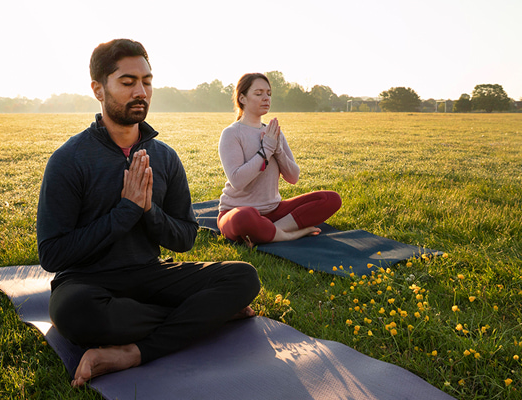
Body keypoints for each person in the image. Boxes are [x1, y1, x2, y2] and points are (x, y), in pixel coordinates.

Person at [36, 39, 260, 387]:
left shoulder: (165, 157)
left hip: (150, 275)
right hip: (88, 283)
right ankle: (206, 316)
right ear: (98, 89)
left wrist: (148, 211)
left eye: (147, 81)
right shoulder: (69, 160)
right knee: (74, 313)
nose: (141, 91)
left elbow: (185, 238)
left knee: (243, 277)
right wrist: (124, 212)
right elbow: (53, 253)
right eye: (128, 82)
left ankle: (133, 352)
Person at [217, 73, 342, 245]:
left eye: (268, 93)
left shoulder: (274, 132)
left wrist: (278, 150)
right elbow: (238, 181)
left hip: (273, 210)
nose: (266, 98)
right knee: (245, 217)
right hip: (237, 211)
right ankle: (288, 234)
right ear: (242, 98)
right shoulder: (232, 133)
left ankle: (271, 230)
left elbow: (293, 177)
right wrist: (266, 150)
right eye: (259, 93)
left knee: (330, 199)